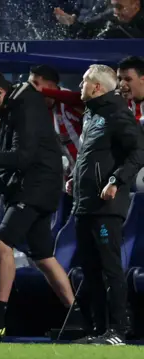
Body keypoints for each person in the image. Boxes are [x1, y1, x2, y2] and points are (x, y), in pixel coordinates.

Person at [0, 68, 78, 338]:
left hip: (36, 187)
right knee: (43, 256)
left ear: (0, 92)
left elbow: (23, 156)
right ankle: (77, 314)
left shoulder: (25, 108)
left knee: (3, 241)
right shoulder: (7, 109)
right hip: (34, 187)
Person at [69, 64, 144, 345]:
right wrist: (74, 179)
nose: (80, 86)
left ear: (97, 87)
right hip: (84, 204)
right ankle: (99, 329)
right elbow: (92, 156)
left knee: (110, 267)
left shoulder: (116, 113)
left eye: (84, 81)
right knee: (90, 269)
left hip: (106, 207)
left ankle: (118, 330)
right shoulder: (91, 115)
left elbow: (138, 152)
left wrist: (115, 180)